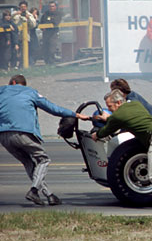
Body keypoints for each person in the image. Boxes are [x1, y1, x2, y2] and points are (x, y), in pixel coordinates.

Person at [0, 74, 89, 206]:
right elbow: (53, 108)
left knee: (28, 162)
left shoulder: (1, 91)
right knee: (43, 160)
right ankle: (34, 190)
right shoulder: (30, 92)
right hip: (24, 133)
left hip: (4, 135)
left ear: (12, 82)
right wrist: (75, 115)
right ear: (19, 83)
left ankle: (49, 195)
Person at [11, 1, 37, 69]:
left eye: (24, 7)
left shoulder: (29, 15)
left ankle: (21, 67)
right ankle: (13, 66)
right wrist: (16, 14)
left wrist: (28, 18)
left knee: (23, 53)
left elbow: (33, 25)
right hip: (15, 36)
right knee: (14, 52)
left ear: (26, 7)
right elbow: (8, 19)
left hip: (25, 37)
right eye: (21, 7)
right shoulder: (15, 14)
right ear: (19, 7)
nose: (23, 8)